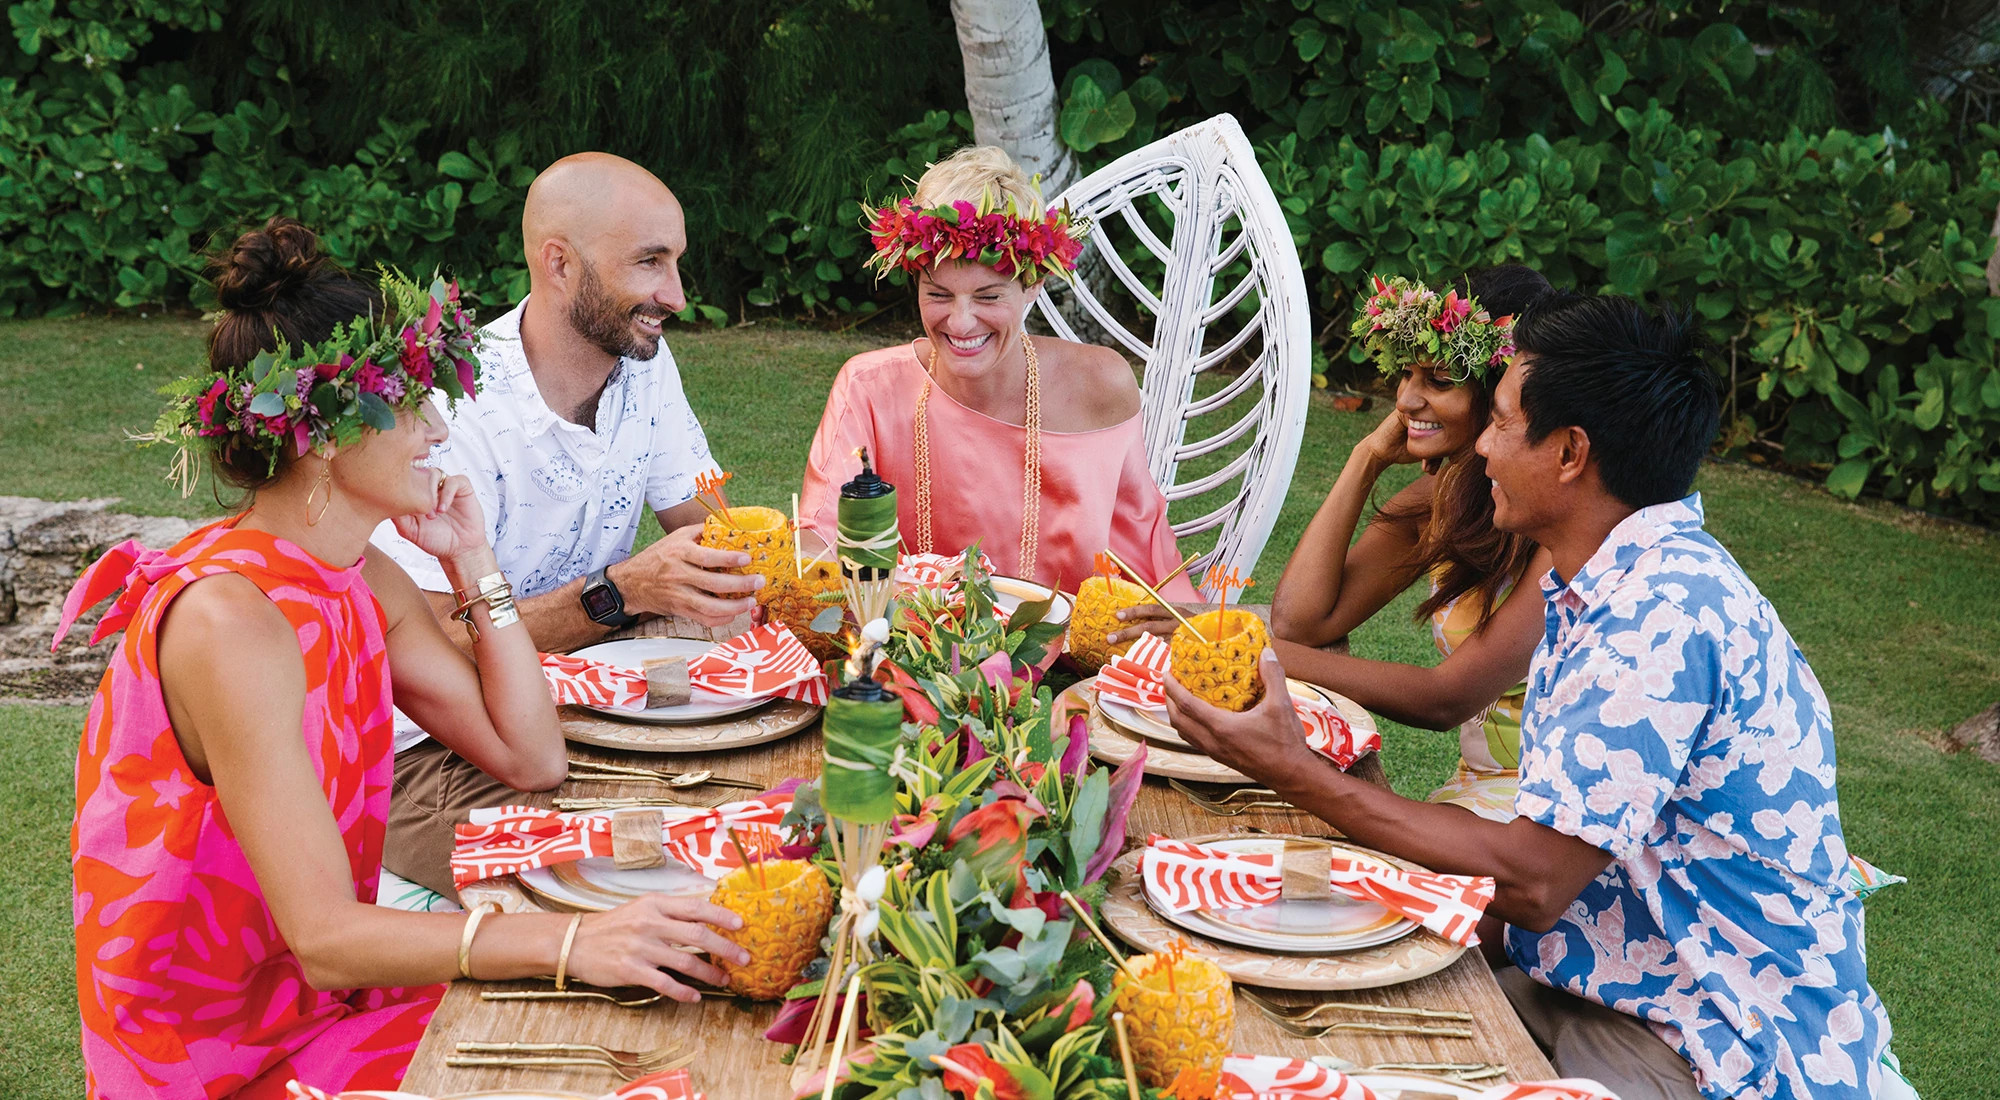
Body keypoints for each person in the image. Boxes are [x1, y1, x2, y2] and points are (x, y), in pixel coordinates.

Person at [60, 219, 748, 1099]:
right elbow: (324, 941)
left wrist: (475, 563)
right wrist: (573, 943)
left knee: (647, 1023)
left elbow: (530, 759)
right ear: (321, 435)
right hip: (224, 1056)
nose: (436, 427)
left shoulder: (361, 574)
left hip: (318, 1011)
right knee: (608, 1032)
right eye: (413, 404)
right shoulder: (231, 623)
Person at [1166, 292, 1897, 1100]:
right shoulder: (1616, 581)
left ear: (1570, 452)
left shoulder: (1658, 622)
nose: (1479, 444)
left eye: (1503, 421)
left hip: (1717, 1039)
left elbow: (1533, 884)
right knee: (1324, 1013)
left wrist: (1291, 768)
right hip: (1602, 981)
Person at [368, 153, 764, 899]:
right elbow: (437, 645)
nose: (675, 295)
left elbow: (701, 492)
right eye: (650, 262)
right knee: (649, 872)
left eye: (676, 262)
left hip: (570, 710)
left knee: (746, 805)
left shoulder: (644, 361)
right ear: (559, 264)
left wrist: (759, 535)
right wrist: (616, 592)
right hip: (429, 753)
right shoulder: (451, 413)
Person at [799, 146, 1196, 608]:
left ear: (1033, 284)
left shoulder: (1100, 386)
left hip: (1081, 662)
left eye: (988, 296)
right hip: (908, 656)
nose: (961, 322)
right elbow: (819, 549)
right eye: (938, 294)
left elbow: (1145, 565)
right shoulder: (869, 388)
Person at [1270, 267, 1551, 821]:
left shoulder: (1554, 519)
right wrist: (1366, 459)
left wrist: (1258, 655)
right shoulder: (1440, 497)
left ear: (1503, 392)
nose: (1406, 400)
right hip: (1480, 787)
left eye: (1439, 381)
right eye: (1405, 376)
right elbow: (1302, 620)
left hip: (1548, 797)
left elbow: (1445, 698)